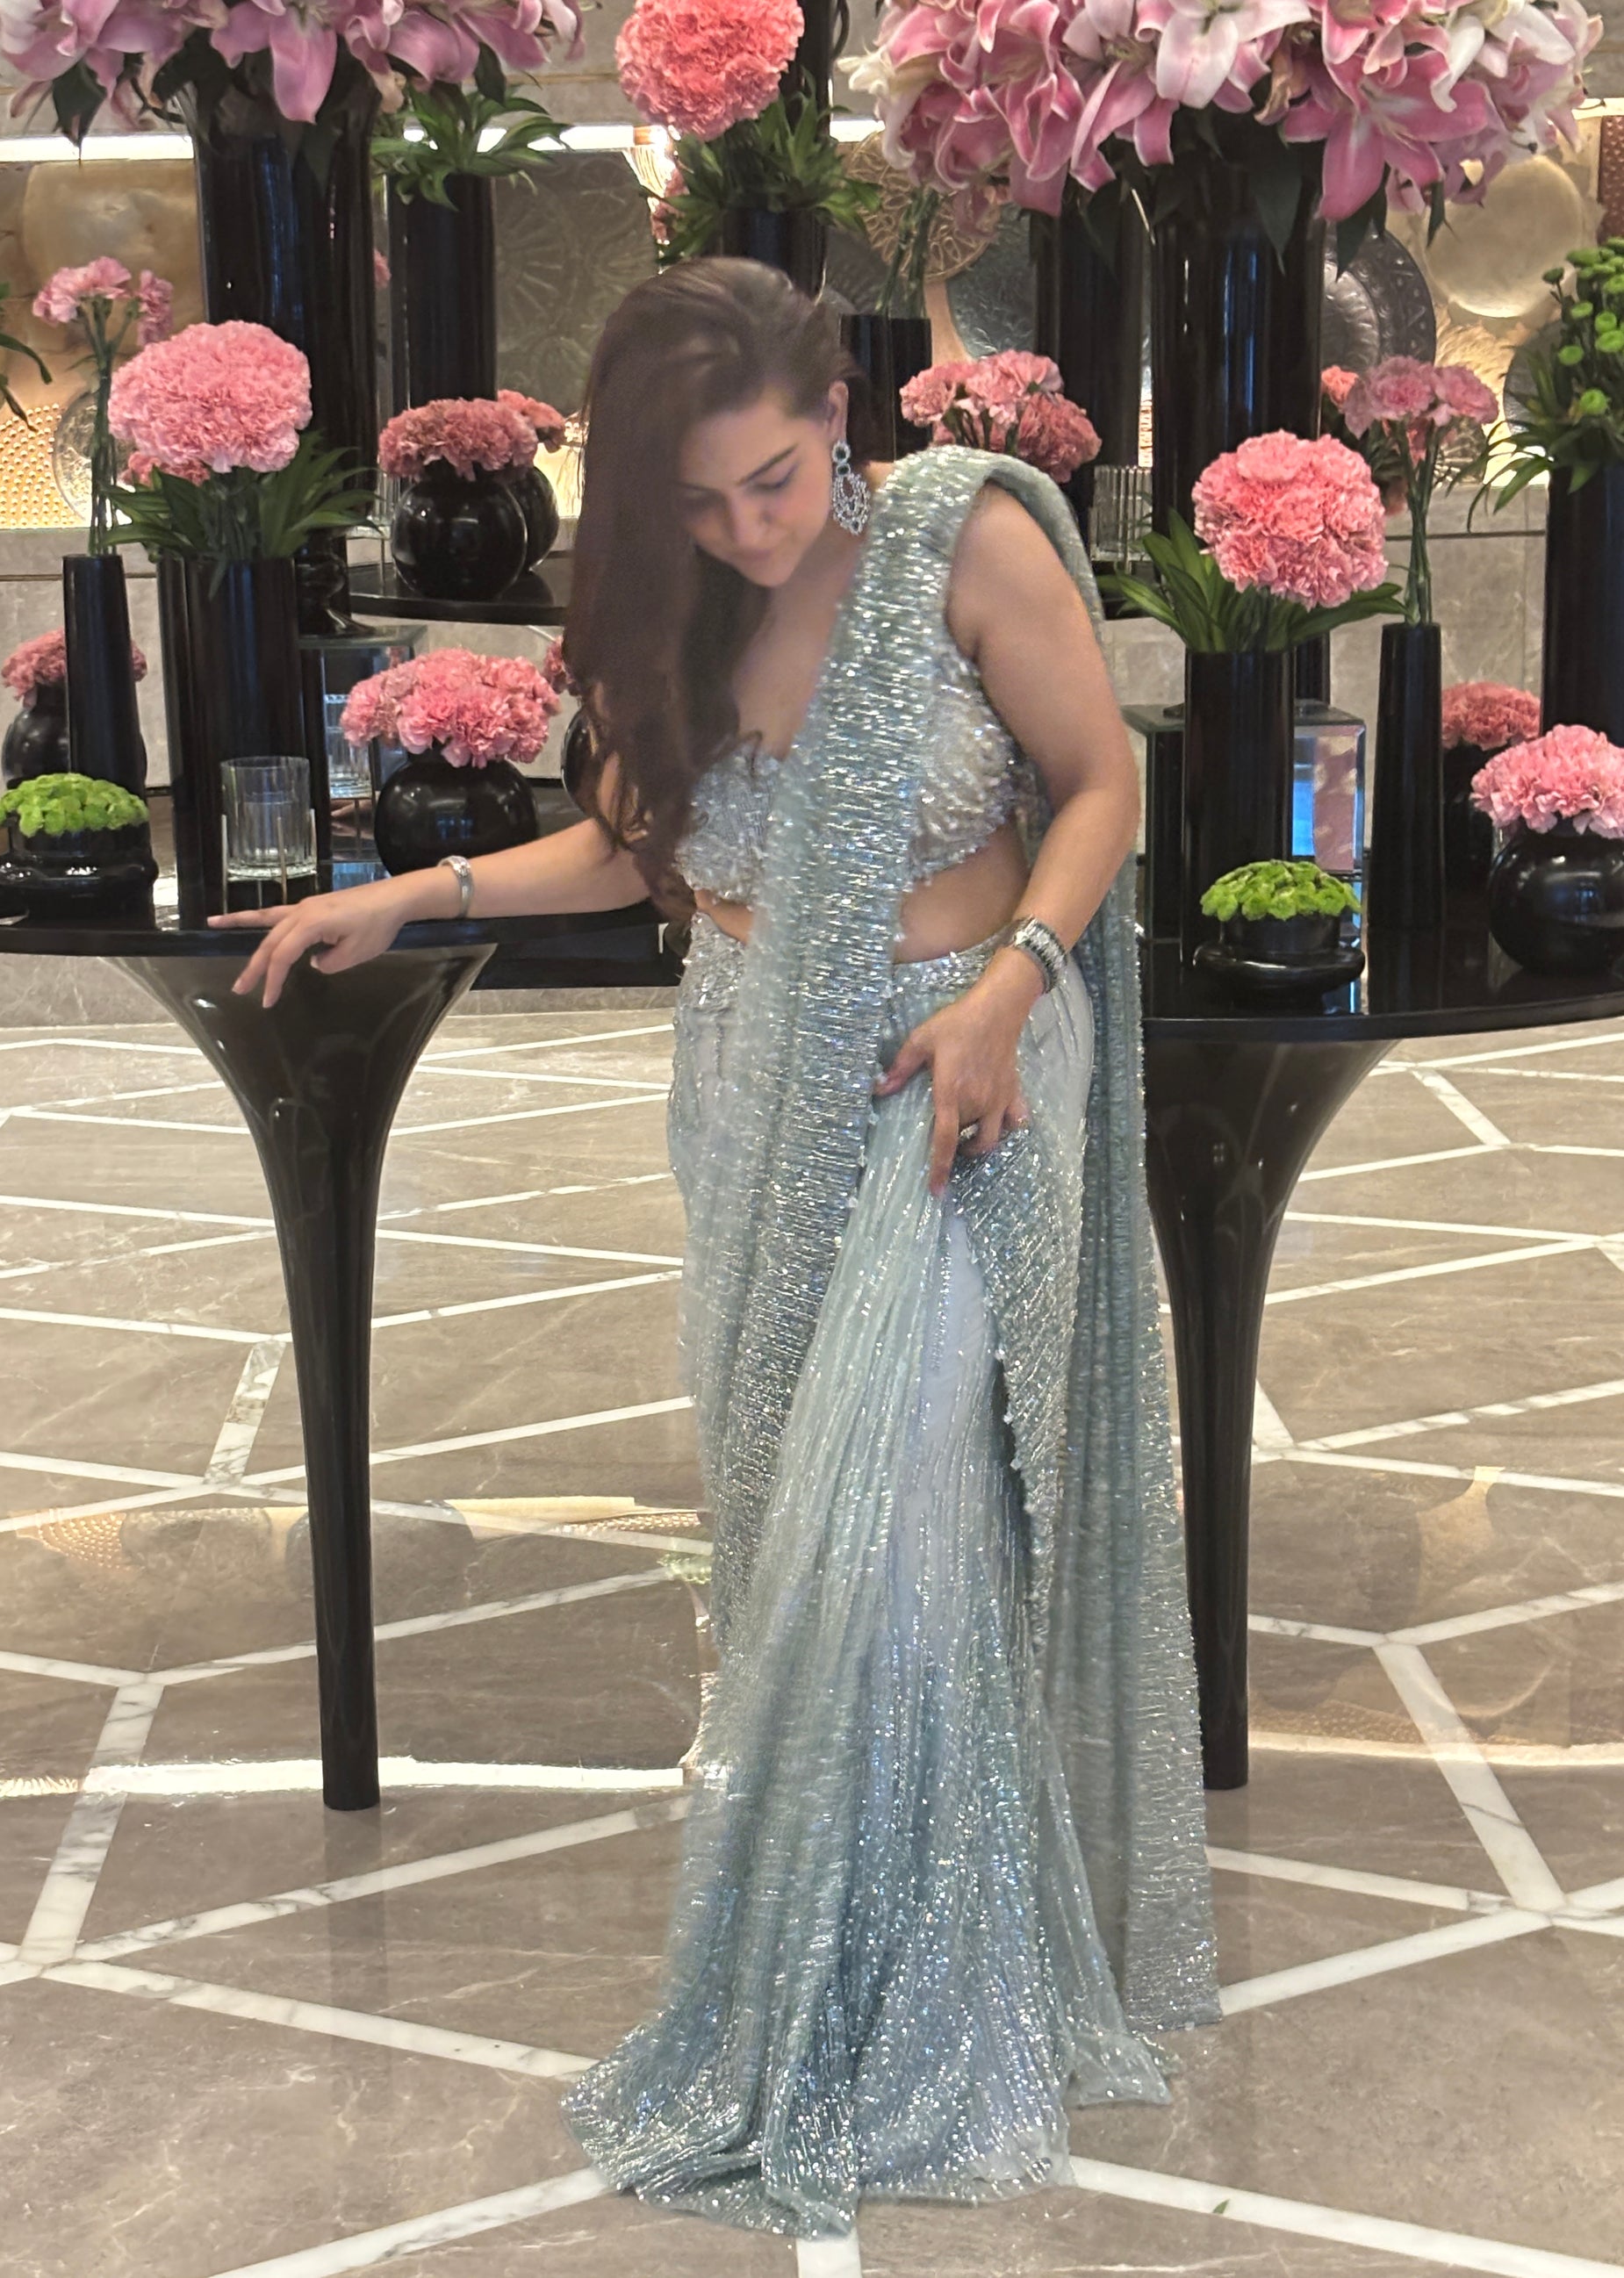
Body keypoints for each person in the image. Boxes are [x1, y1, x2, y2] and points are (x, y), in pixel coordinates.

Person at [212, 258, 1218, 2239]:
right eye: (697, 497)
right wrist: (409, 893)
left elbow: (1101, 781)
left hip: (961, 1074)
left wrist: (1013, 984)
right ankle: (840, 1965)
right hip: (755, 1080)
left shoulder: (962, 538)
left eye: (772, 478)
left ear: (836, 415)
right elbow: (633, 850)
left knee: (892, 1525)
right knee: (791, 1533)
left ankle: (917, 2010)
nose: (749, 527)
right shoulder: (661, 606)